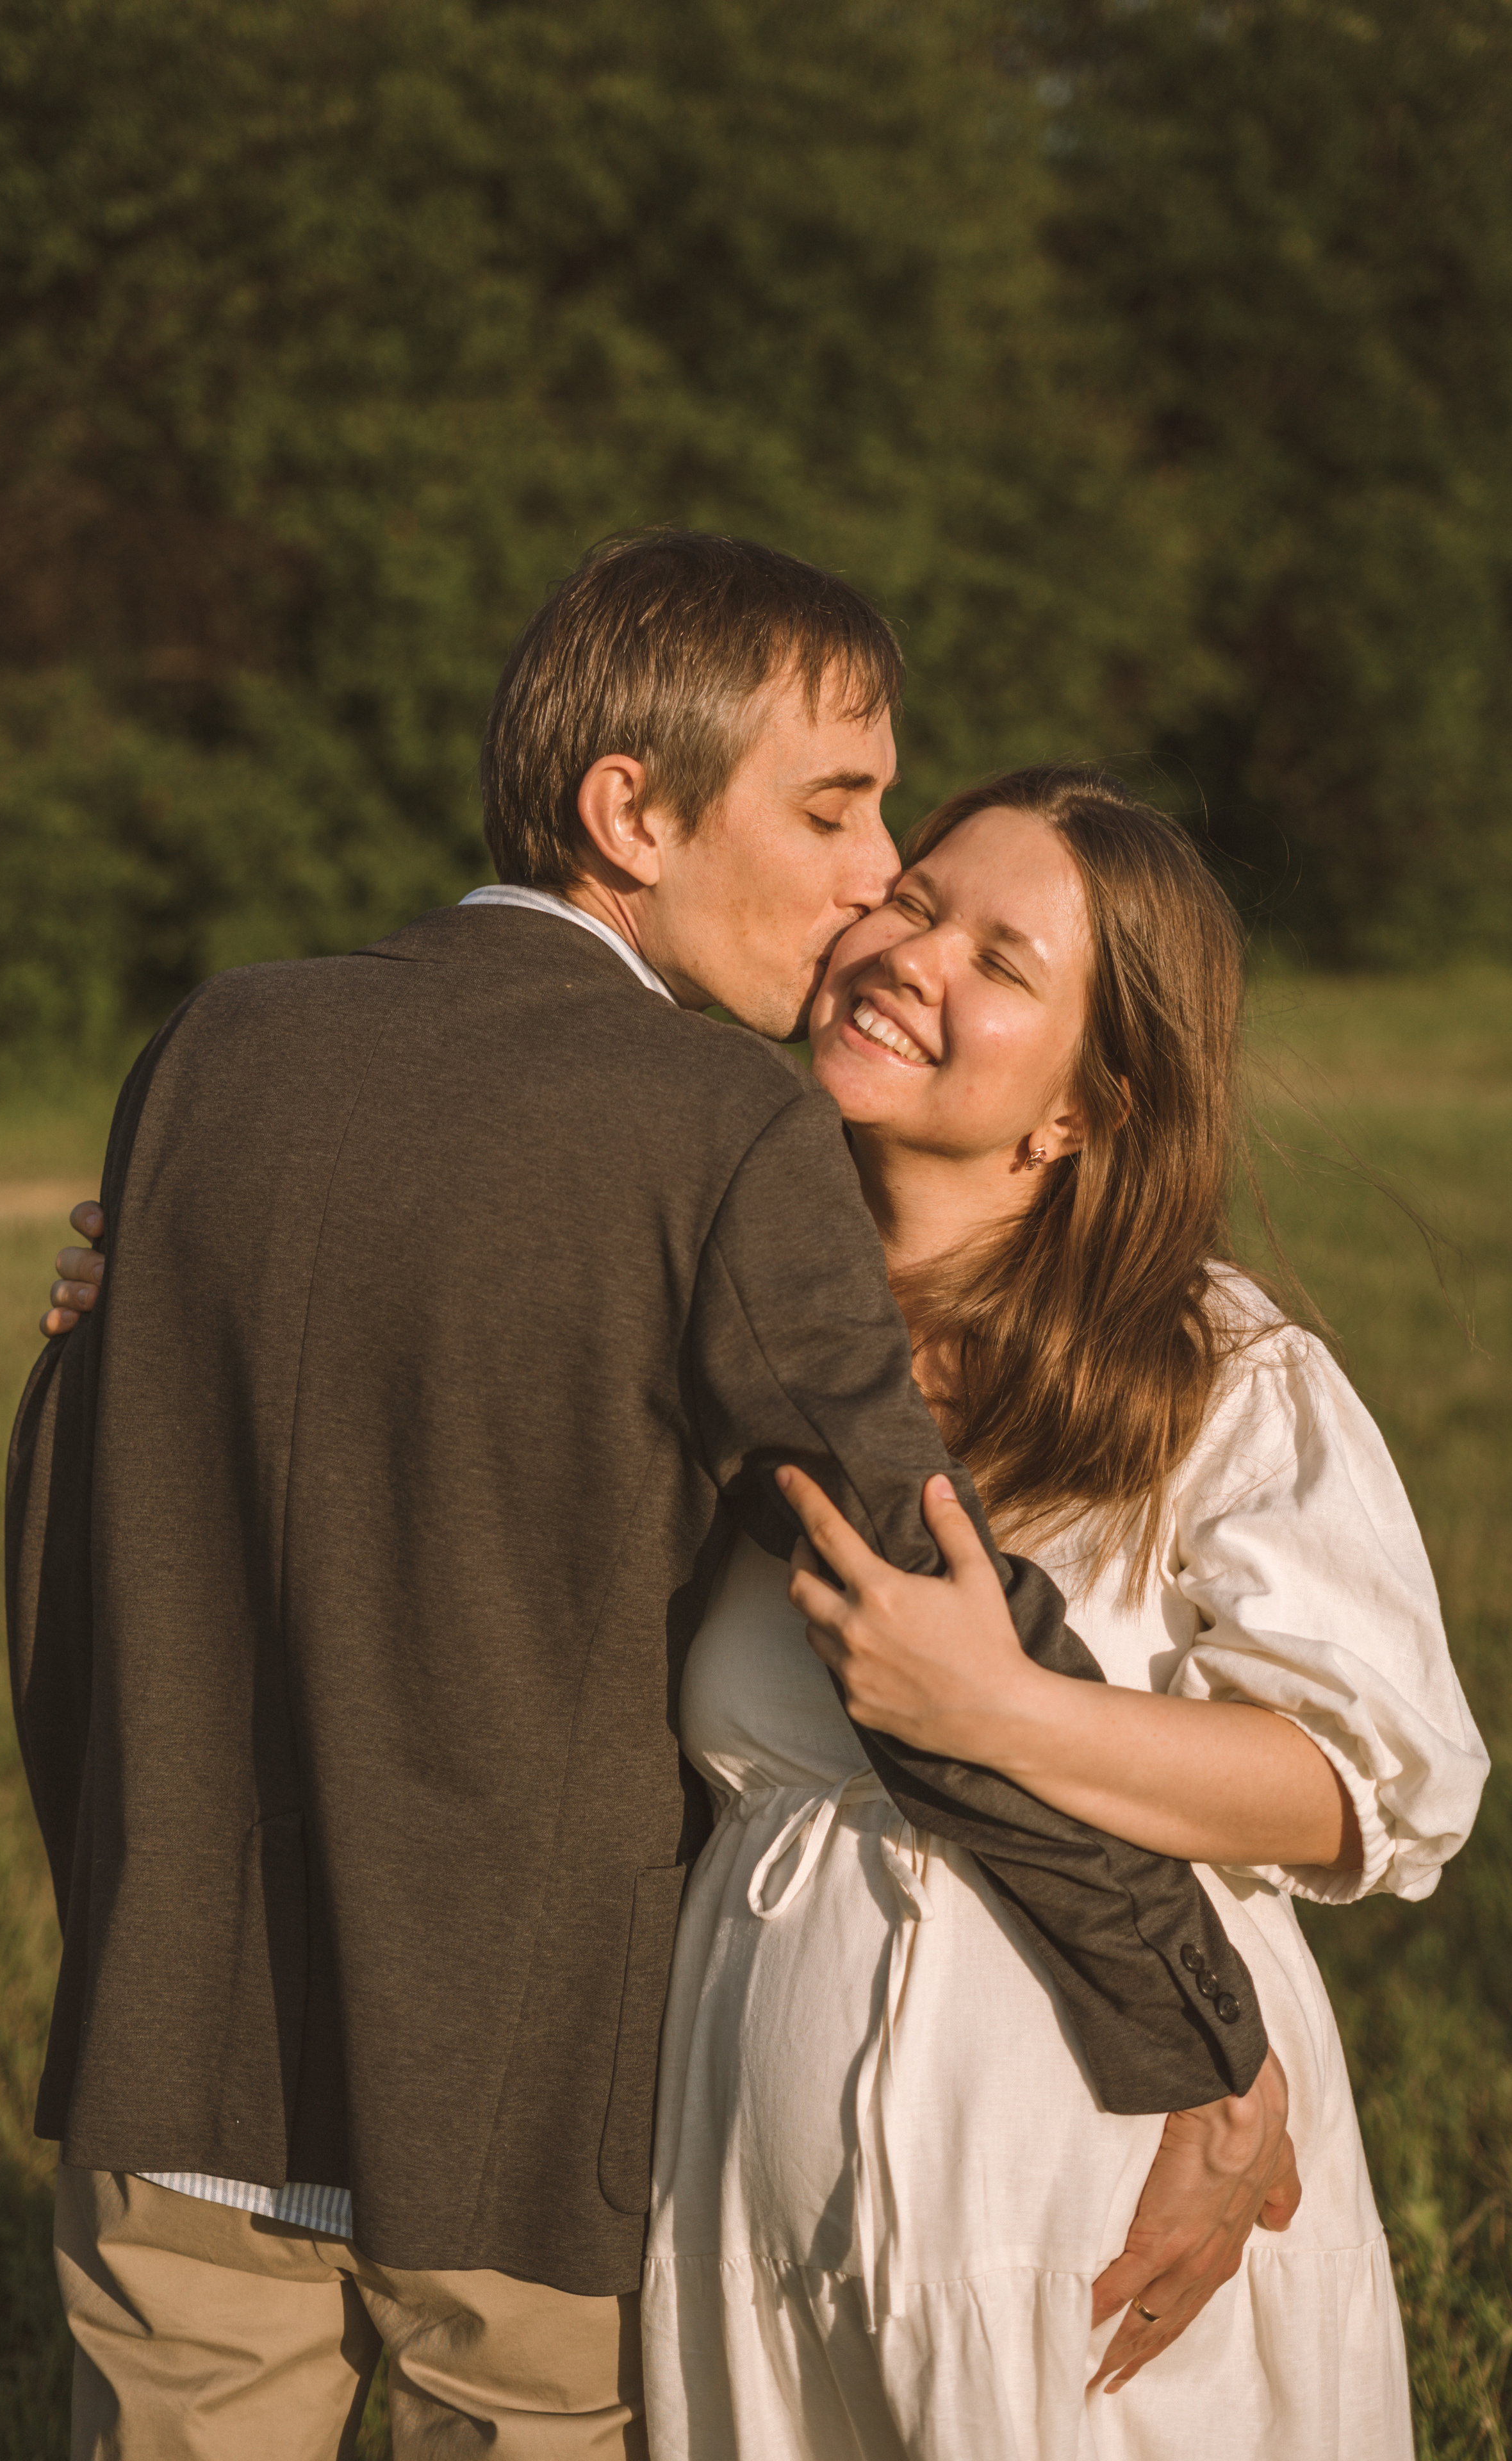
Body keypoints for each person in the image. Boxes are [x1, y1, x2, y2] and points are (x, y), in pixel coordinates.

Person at [12, 531, 1290, 2461]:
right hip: (517, 2106)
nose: (875, 877)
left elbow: (66, 1556)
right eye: (836, 806)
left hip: (171, 2032)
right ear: (635, 810)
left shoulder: (218, 1044)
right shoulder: (715, 1118)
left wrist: (123, 1897)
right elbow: (914, 1591)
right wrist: (1197, 2024)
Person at [639, 768, 1488, 2458]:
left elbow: (1362, 1785)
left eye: (1000, 960)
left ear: (1085, 1111)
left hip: (1101, 2212)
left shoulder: (1216, 1374)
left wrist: (1003, 1709)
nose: (912, 953)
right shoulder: (709, 1322)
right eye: (917, 902)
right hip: (759, 2216)